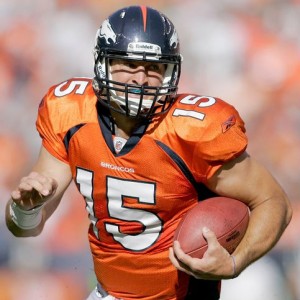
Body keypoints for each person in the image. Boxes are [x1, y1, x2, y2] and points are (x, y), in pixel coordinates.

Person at [5, 5, 292, 300]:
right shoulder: (70, 114)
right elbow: (25, 229)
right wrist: (26, 209)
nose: (140, 80)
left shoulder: (191, 131)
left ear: (172, 71)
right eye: (129, 64)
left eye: (154, 68)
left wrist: (235, 262)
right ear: (103, 63)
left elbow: (274, 201)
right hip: (107, 295)